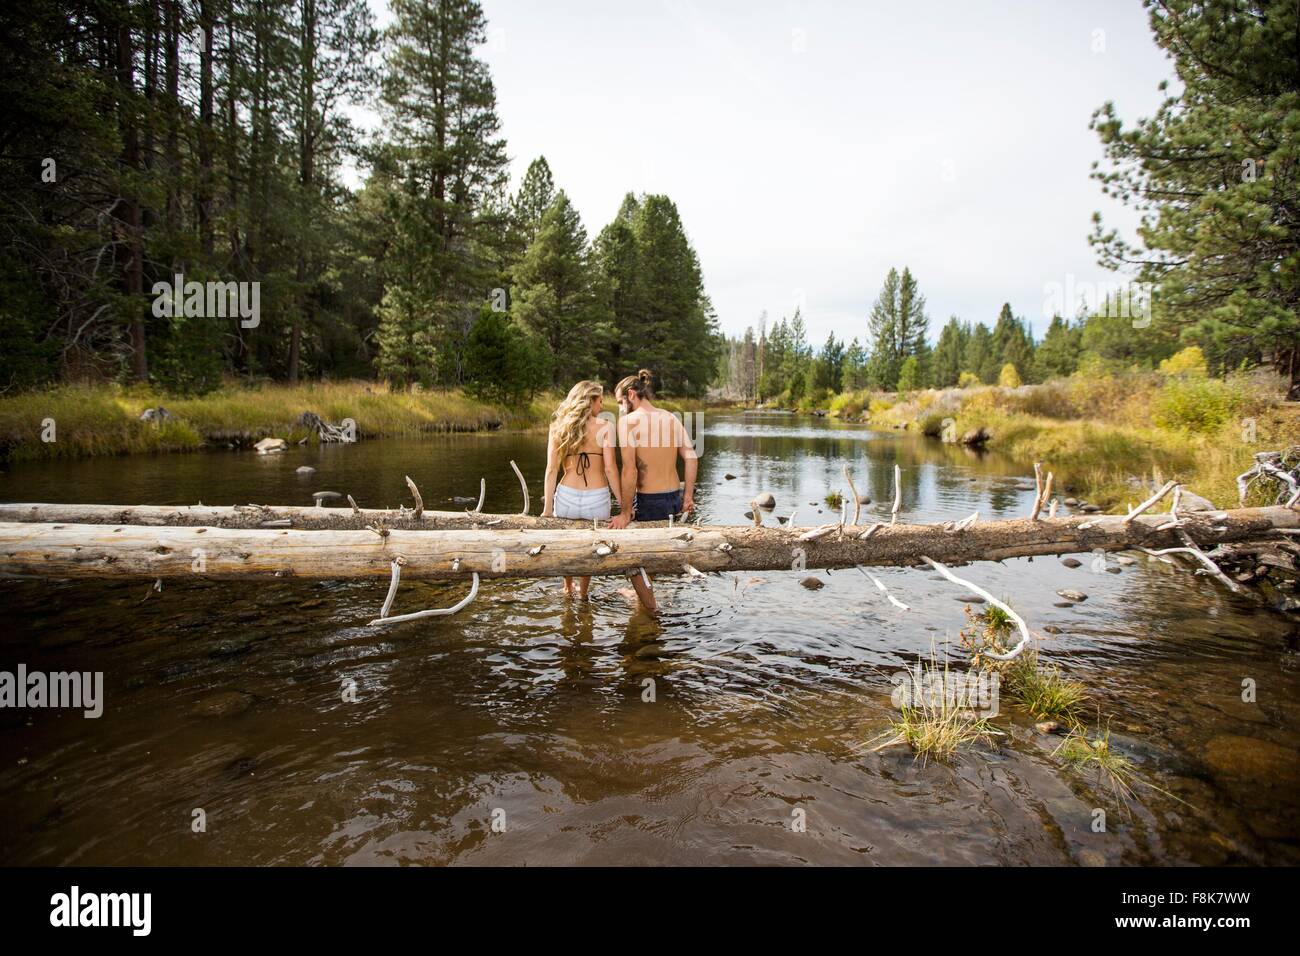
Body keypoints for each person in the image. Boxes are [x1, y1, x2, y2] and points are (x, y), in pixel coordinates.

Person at [607, 369, 699, 611]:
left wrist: (625, 512)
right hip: (672, 499)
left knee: (635, 560)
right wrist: (687, 496)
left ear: (631, 395)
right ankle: (642, 597)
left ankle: (649, 610)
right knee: (654, 550)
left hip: (648, 500)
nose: (619, 408)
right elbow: (691, 457)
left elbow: (629, 471)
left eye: (619, 402)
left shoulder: (628, 422)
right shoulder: (670, 417)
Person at [541, 381, 622, 599]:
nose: (602, 406)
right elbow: (610, 469)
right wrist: (624, 506)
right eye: (600, 401)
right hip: (596, 499)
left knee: (568, 545)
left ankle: (568, 589)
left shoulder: (558, 427)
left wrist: (548, 509)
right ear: (590, 401)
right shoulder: (605, 426)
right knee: (591, 546)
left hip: (566, 496)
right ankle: (584, 594)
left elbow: (551, 470)